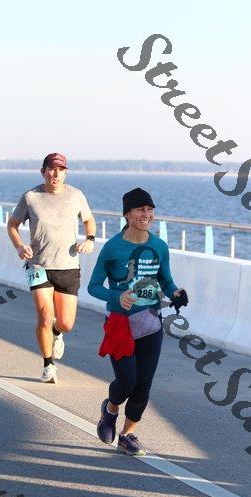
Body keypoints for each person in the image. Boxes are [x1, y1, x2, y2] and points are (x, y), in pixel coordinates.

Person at [88, 187, 187, 456]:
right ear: (127, 214)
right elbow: (93, 286)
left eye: (150, 210)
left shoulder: (159, 246)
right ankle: (110, 410)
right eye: (141, 209)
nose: (147, 215)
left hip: (150, 324)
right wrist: (116, 296)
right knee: (127, 381)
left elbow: (165, 280)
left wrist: (176, 293)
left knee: (143, 385)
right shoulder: (113, 248)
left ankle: (127, 434)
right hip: (120, 324)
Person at [7, 152, 96, 383]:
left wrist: (90, 239)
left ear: (65, 173)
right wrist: (19, 246)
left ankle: (57, 332)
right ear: (43, 172)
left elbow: (88, 220)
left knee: (66, 323)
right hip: (38, 265)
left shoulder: (76, 195)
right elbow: (13, 225)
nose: (55, 174)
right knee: (45, 316)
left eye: (60, 170)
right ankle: (48, 365)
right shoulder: (30, 197)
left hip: (68, 265)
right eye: (51, 169)